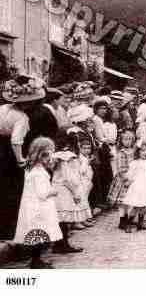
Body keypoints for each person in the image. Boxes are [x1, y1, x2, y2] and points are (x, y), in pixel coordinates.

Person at [0, 75, 46, 240]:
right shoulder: (22, 117)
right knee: (13, 191)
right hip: (9, 155)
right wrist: (21, 160)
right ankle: (8, 229)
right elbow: (16, 141)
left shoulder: (3, 108)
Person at [14, 137, 62, 269]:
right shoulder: (39, 173)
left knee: (37, 234)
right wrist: (54, 191)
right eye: (48, 156)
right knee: (40, 234)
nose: (49, 159)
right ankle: (36, 262)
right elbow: (42, 193)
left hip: (31, 207)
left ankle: (36, 260)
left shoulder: (30, 169)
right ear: (42, 155)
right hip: (39, 209)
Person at [51, 150, 85, 254]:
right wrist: (75, 193)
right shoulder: (64, 160)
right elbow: (66, 180)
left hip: (57, 189)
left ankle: (60, 244)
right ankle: (62, 244)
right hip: (63, 192)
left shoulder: (56, 159)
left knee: (61, 218)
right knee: (63, 219)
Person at [123, 141, 146, 233]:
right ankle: (128, 223)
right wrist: (128, 181)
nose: (145, 153)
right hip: (138, 188)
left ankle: (140, 223)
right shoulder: (135, 163)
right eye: (142, 151)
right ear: (138, 152)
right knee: (136, 207)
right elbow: (130, 174)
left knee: (143, 206)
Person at [108, 129, 136, 229]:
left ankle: (128, 218)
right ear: (121, 140)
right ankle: (122, 219)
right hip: (123, 179)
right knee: (122, 202)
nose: (127, 141)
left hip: (132, 178)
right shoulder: (121, 153)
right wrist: (126, 179)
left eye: (129, 139)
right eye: (125, 139)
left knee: (130, 201)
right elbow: (121, 169)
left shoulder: (134, 151)